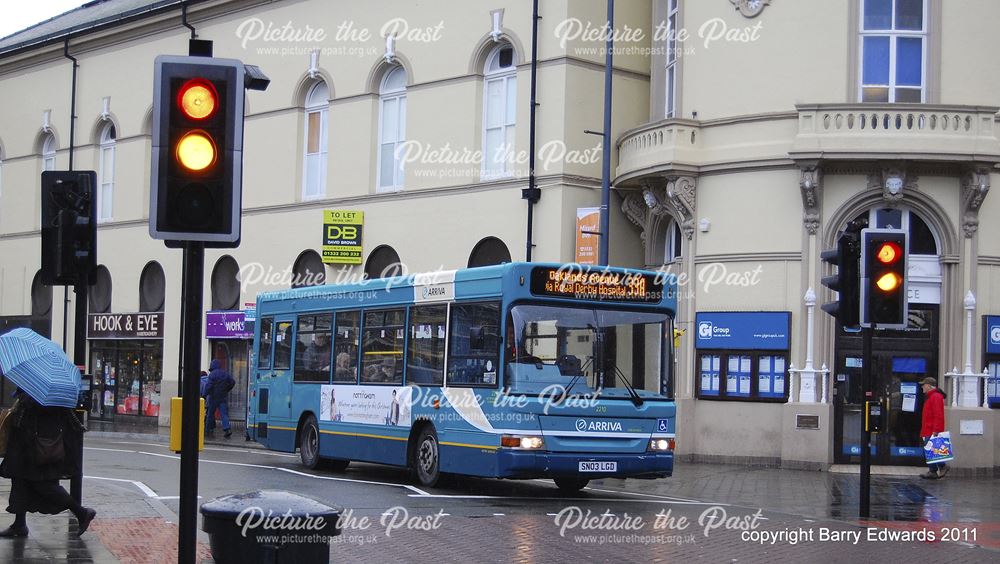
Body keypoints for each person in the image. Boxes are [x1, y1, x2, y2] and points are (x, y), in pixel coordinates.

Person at [0, 391, 96, 538]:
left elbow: (42, 416)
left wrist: (26, 401)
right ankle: (19, 524)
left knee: (44, 485)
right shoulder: (34, 389)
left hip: (37, 446)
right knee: (20, 482)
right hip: (28, 446)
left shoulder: (46, 394)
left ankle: (82, 512)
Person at [919, 376, 948, 479]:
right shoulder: (931, 396)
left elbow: (938, 415)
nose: (922, 386)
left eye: (924, 384)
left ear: (929, 386)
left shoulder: (935, 397)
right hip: (928, 428)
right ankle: (933, 471)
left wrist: (936, 430)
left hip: (931, 429)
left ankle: (942, 466)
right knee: (929, 450)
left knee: (933, 449)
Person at [204, 359, 235, 439]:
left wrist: (204, 395)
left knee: (210, 414)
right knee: (224, 414)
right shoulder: (225, 373)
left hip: (213, 397)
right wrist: (227, 389)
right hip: (223, 396)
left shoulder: (212, 375)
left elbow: (208, 386)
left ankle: (208, 429)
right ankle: (227, 429)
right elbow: (232, 382)